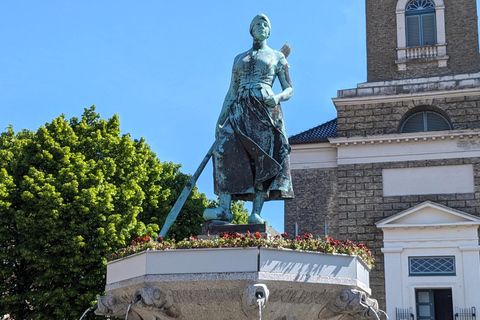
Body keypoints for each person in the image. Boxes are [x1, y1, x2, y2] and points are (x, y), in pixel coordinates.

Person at [205, 14, 294, 224]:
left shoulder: (278, 57)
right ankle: (224, 209)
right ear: (251, 30)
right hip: (239, 109)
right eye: (257, 24)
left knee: (261, 157)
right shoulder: (239, 58)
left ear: (269, 31)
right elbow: (232, 90)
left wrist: (277, 97)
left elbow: (289, 88)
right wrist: (220, 118)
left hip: (264, 110)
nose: (262, 27)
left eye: (265, 24)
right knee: (222, 150)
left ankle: (257, 211)